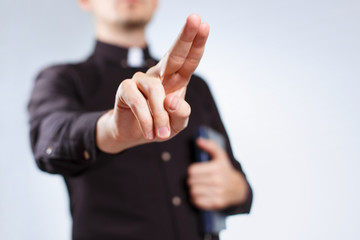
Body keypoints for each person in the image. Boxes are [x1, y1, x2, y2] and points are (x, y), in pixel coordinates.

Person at [28, 0, 253, 239]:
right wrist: (112, 131)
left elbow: (235, 177)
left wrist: (237, 190)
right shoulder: (62, 79)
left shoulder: (196, 87)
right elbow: (49, 140)